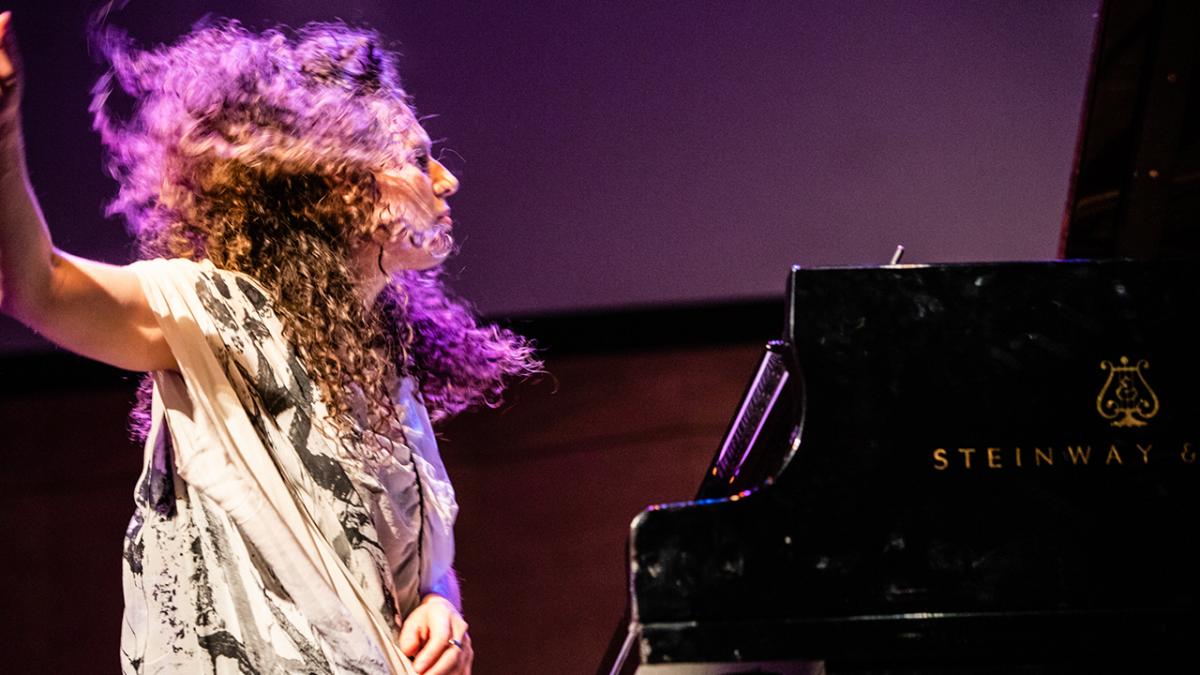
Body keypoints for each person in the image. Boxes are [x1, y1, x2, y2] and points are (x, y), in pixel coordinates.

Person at [0, 10, 538, 675]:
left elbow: (412, 567)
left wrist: (439, 604)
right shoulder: (220, 319)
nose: (445, 180)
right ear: (347, 187)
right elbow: (39, 287)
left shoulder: (385, 349)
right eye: (417, 160)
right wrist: (2, 129)